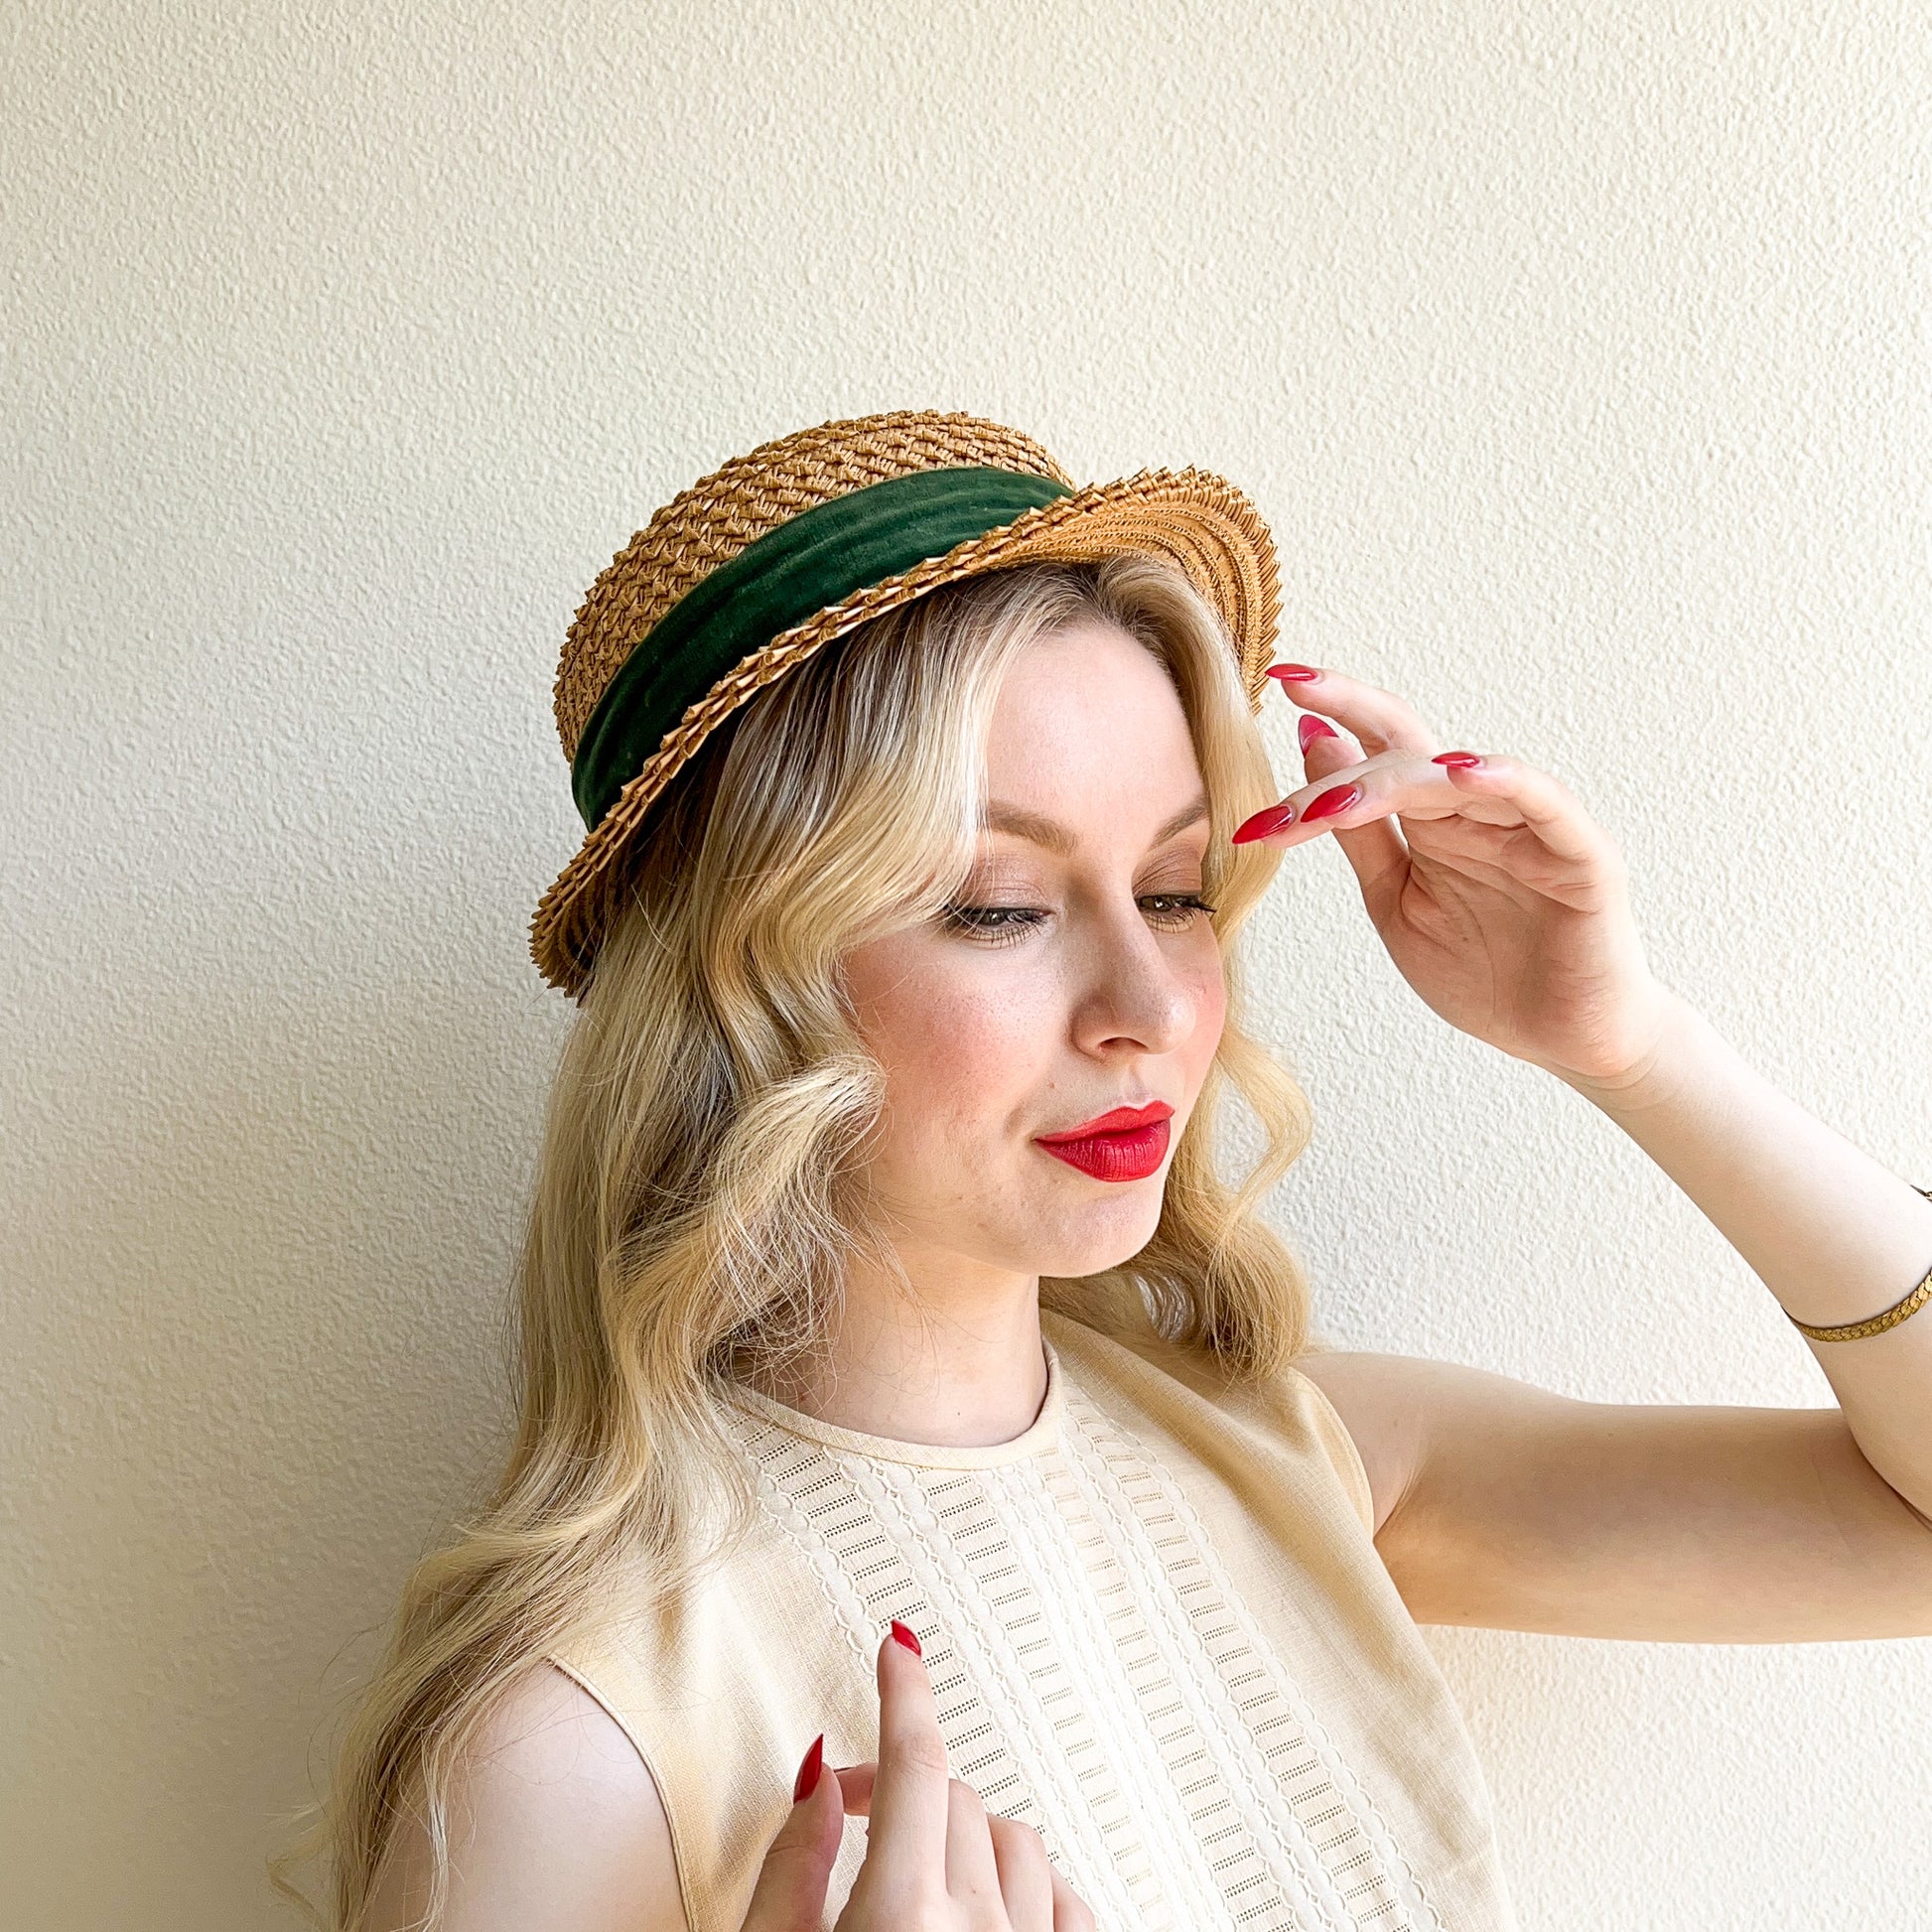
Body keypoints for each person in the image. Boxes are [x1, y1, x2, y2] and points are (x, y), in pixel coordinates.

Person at [276, 411, 1932, 1932]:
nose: (1148, 1006)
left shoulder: (1303, 1459)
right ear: (743, 989)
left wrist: (1623, 1041)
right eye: (998, 906)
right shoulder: (570, 1747)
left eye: (1175, 890)